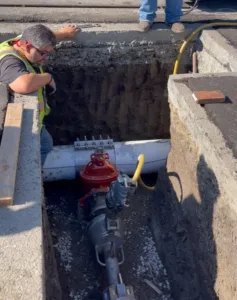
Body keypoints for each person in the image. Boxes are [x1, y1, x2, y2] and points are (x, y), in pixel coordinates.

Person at [0, 24, 80, 165]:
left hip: (38, 122)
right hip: (13, 122)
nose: (46, 58)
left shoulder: (20, 42)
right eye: (43, 53)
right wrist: (47, 77)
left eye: (49, 53)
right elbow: (23, 84)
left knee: (45, 144)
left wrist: (64, 34)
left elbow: (40, 37)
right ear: (26, 45)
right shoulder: (9, 61)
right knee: (41, 146)